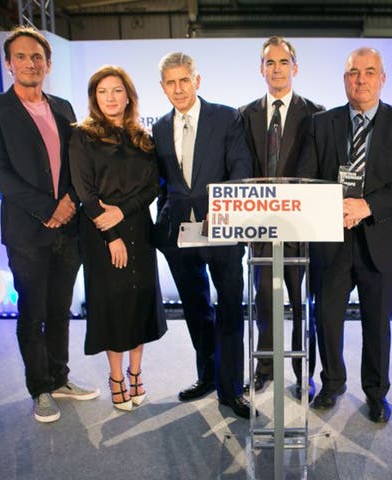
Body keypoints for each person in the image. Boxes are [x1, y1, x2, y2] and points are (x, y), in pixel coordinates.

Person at [0, 26, 99, 423]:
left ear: (48, 63)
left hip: (69, 228)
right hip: (28, 230)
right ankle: (39, 388)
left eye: (37, 57)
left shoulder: (63, 106)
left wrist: (71, 203)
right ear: (9, 64)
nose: (30, 63)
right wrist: (48, 208)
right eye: (22, 57)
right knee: (33, 312)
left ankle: (60, 377)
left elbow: (79, 164)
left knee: (61, 309)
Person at [299, 47, 392, 423]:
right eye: (354, 72)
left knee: (376, 324)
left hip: (380, 241)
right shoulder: (322, 123)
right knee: (328, 319)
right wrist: (335, 206)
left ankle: (375, 393)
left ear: (382, 78)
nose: (361, 79)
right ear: (344, 78)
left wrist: (366, 206)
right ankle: (332, 383)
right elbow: (308, 177)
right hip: (331, 240)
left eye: (370, 72)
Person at [152, 52, 253, 418]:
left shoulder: (226, 117)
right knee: (196, 310)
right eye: (170, 83)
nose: (178, 89)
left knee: (229, 309)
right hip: (178, 232)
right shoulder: (160, 126)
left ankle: (231, 389)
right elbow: (163, 181)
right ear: (162, 88)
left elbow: (240, 167)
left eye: (184, 80)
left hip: (222, 229)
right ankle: (207, 375)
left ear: (198, 81)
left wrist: (224, 208)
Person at [69, 65, 167, 411]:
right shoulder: (82, 136)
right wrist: (111, 233)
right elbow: (85, 192)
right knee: (113, 308)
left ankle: (136, 373)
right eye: (102, 92)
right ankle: (116, 378)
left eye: (116, 90)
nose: (110, 98)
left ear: (128, 96)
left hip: (139, 231)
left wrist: (123, 212)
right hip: (101, 236)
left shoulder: (143, 138)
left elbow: (154, 186)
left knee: (140, 303)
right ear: (95, 98)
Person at [239, 36, 324, 401]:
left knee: (304, 306)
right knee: (265, 306)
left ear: (295, 67)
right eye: (269, 63)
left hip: (301, 231)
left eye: (283, 62)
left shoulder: (317, 114)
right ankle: (264, 370)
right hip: (261, 231)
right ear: (261, 69)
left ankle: (304, 374)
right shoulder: (245, 115)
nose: (276, 69)